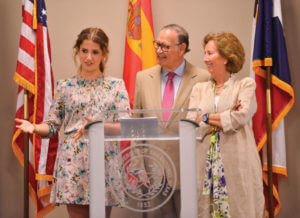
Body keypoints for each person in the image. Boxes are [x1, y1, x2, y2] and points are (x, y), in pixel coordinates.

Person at [15, 27, 130, 218]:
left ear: (104, 54)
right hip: (73, 163)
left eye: (95, 52)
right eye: (84, 51)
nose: (89, 57)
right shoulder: (65, 86)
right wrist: (34, 127)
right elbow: (52, 126)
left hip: (104, 161)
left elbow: (126, 126)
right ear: (77, 50)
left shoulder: (116, 86)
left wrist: (98, 126)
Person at [133, 24, 210, 217]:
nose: (159, 50)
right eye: (157, 45)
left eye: (165, 46)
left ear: (182, 48)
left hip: (190, 172)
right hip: (153, 175)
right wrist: (139, 167)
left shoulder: (203, 78)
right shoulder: (143, 77)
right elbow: (136, 127)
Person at [187, 32, 265, 217]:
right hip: (204, 165)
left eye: (210, 53)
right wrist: (224, 119)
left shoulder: (245, 85)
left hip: (237, 164)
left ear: (227, 57)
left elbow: (240, 117)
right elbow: (190, 121)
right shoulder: (199, 89)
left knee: (240, 209)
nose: (205, 59)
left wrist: (204, 117)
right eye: (205, 53)